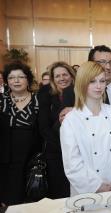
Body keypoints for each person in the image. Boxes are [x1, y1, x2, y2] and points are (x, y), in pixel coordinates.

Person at [60, 62, 111, 196]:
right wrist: (97, 186)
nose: (98, 86)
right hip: (86, 191)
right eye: (92, 81)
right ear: (82, 83)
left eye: (102, 81)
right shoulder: (71, 120)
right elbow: (72, 164)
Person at [0, 61, 41, 205]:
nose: (16, 81)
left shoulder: (39, 99)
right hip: (6, 159)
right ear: (6, 81)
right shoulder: (2, 100)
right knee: (10, 200)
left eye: (21, 77)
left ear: (28, 79)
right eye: (11, 78)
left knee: (33, 200)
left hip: (34, 159)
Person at [38, 61, 75, 199]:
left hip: (77, 150)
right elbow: (43, 127)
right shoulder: (45, 93)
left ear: (71, 76)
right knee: (59, 192)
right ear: (53, 79)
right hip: (55, 150)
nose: (62, 78)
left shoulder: (79, 92)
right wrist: (62, 146)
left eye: (65, 74)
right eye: (57, 76)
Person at [60, 45, 111, 120]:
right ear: (91, 64)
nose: (108, 67)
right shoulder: (72, 93)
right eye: (102, 62)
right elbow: (59, 125)